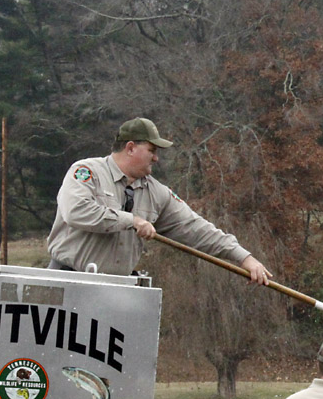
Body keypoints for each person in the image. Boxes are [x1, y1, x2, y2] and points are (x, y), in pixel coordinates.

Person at [47, 117, 272, 283]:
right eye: (152, 150)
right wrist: (131, 221)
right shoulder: (87, 171)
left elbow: (195, 228)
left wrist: (244, 258)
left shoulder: (157, 192)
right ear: (131, 148)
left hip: (116, 288)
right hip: (67, 281)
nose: (156, 157)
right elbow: (76, 212)